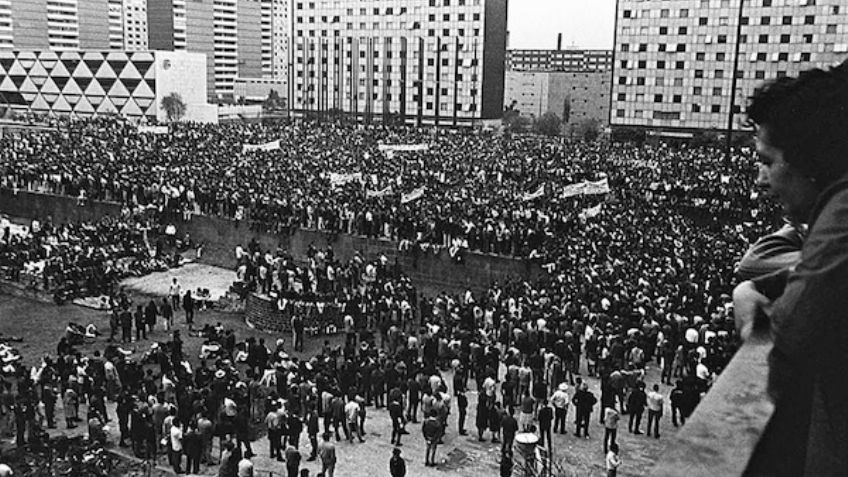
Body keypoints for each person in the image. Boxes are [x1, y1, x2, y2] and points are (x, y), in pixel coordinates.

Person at [733, 62, 848, 476]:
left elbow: (787, 348)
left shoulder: (842, 214)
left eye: (767, 161)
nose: (762, 180)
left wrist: (750, 308)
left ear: (808, 159)